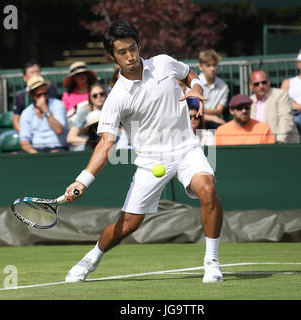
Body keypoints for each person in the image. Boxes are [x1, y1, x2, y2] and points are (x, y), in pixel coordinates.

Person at [64, 20, 224, 284]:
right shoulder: (116, 97)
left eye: (133, 48)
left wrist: (196, 88)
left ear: (139, 45)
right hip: (150, 161)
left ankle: (212, 262)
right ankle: (90, 259)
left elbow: (189, 75)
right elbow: (106, 143)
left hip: (186, 149)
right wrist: (82, 180)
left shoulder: (163, 62)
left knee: (207, 189)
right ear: (111, 56)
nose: (130, 56)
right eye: (122, 52)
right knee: (127, 226)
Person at [19, 75, 68, 153]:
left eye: (45, 94)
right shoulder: (26, 113)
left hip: (58, 148)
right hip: (36, 150)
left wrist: (45, 110)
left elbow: (59, 130)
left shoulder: (58, 105)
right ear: (31, 95)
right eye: (39, 95)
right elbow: (24, 141)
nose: (43, 98)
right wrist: (35, 154)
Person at [249, 70, 300, 144]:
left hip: (282, 144)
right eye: (257, 84)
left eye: (264, 82)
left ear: (269, 82)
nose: (261, 86)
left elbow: (286, 119)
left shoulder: (280, 94)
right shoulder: (250, 101)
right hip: (258, 144)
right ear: (251, 86)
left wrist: (280, 141)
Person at [12, 60, 58, 132]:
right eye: (32, 72)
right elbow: (16, 121)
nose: (35, 75)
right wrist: (26, 135)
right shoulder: (20, 97)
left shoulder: (51, 90)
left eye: (37, 72)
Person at [67, 83, 107, 151]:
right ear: (90, 98)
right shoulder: (84, 111)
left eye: (102, 94)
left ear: (106, 95)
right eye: (95, 95)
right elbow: (70, 138)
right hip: (87, 146)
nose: (99, 97)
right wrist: (93, 142)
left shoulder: (112, 110)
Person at [197, 49, 229, 129]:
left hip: (216, 126)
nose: (212, 69)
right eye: (208, 65)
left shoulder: (224, 86)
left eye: (214, 65)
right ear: (201, 67)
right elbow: (192, 112)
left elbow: (219, 111)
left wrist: (201, 110)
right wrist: (213, 117)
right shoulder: (194, 84)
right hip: (196, 124)